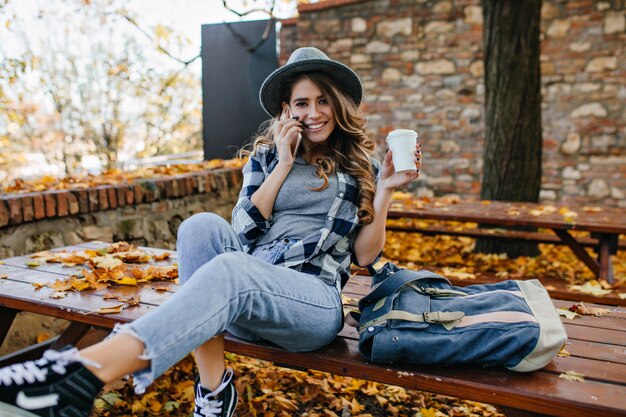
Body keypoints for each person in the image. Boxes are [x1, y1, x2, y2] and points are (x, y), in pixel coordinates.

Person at [0, 47, 422, 417]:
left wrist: (383, 189)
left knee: (232, 269)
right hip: (245, 296)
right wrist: (284, 164)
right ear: (286, 111)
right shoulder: (266, 159)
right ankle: (215, 392)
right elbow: (244, 227)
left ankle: (81, 371)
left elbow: (365, 257)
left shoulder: (358, 165)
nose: (313, 113)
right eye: (301, 103)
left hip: (311, 305)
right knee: (200, 227)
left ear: (339, 104)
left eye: (323, 101)